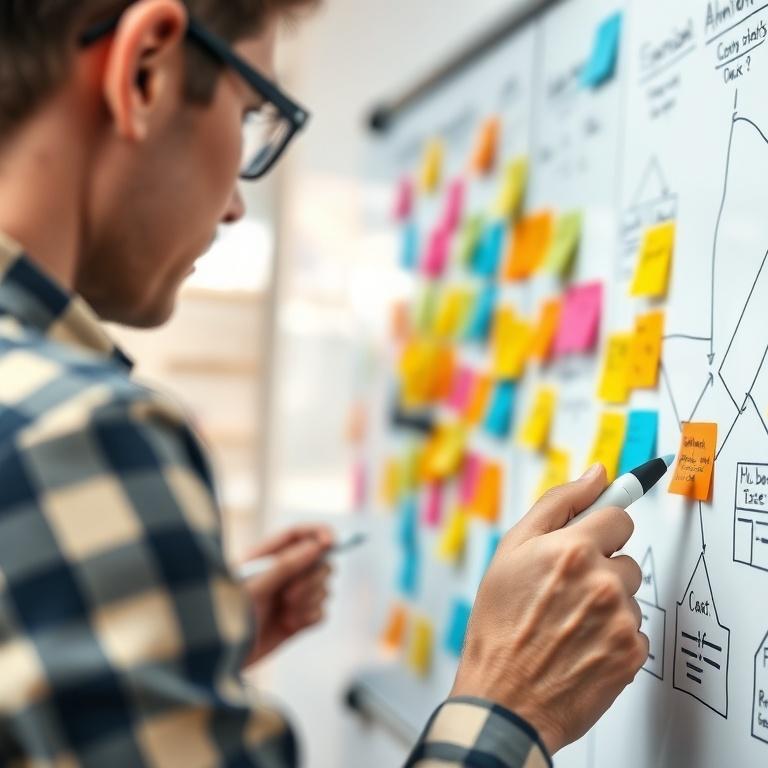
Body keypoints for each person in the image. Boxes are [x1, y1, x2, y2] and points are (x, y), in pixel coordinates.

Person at [0, 1, 648, 766]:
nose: (239, 204)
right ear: (144, 71)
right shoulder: (78, 432)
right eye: (250, 117)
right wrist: (510, 698)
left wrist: (182, 650)